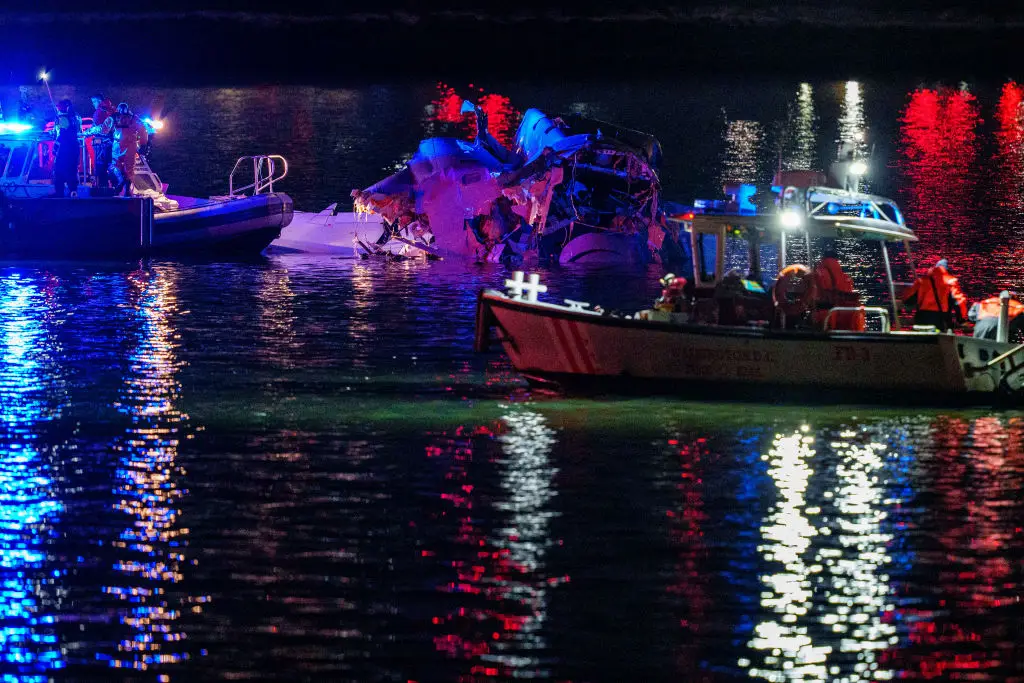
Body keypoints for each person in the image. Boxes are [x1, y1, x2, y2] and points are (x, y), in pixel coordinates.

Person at [901, 258, 969, 332]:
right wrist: (962, 320)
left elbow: (908, 300)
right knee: (939, 339)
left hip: (921, 317)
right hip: (939, 319)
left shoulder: (922, 280)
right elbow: (958, 302)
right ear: (947, 270)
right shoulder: (951, 281)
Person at [811, 250, 865, 331]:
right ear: (837, 260)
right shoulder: (845, 277)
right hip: (847, 316)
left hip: (825, 315)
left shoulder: (818, 272)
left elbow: (814, 293)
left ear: (823, 258)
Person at [111, 102, 148, 197]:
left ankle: (120, 182)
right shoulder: (134, 118)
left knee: (116, 165)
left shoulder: (114, 117)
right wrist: (143, 144)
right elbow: (143, 131)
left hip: (117, 145)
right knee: (130, 169)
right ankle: (127, 192)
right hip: (131, 146)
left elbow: (104, 129)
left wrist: (90, 132)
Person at [52, 99, 82, 198]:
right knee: (71, 170)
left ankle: (60, 193)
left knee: (59, 171)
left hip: (65, 150)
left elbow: (62, 134)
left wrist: (55, 147)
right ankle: (73, 192)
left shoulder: (63, 118)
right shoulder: (74, 117)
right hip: (73, 148)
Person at [87, 93, 116, 189]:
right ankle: (116, 186)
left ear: (98, 101)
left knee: (100, 166)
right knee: (110, 165)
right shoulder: (112, 110)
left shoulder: (99, 111)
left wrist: (88, 132)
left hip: (101, 143)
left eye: (94, 102)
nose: (93, 104)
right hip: (111, 143)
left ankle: (102, 188)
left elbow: (99, 128)